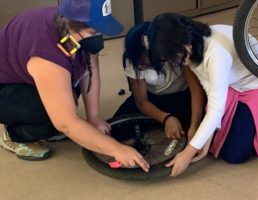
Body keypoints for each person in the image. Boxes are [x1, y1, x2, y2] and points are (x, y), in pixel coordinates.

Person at [0, 0, 149, 172]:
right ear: (72, 26)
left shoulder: (72, 27)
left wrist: (94, 116)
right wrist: (116, 149)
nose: (99, 36)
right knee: (50, 117)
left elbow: (89, 69)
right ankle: (13, 136)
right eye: (94, 31)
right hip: (4, 86)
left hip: (25, 71)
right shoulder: (47, 55)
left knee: (72, 82)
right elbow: (65, 123)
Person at [146, 13, 258, 177]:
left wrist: (188, 153)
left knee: (234, 154)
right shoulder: (193, 48)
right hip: (232, 86)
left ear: (186, 44)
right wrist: (205, 139)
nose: (176, 64)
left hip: (257, 88)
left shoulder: (216, 53)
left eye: (176, 59)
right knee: (211, 142)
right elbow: (210, 91)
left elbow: (215, 109)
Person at [114, 22, 205, 139]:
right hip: (154, 98)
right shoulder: (132, 59)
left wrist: (195, 126)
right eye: (143, 64)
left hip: (184, 96)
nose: (146, 64)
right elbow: (141, 101)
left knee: (209, 130)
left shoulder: (176, 52)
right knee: (116, 130)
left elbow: (196, 90)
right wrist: (165, 118)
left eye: (151, 60)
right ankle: (165, 121)